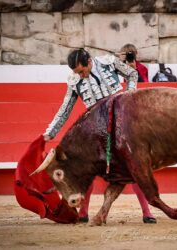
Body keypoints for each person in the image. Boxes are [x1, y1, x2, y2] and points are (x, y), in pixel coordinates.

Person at [43, 48, 156, 224]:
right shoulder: (74, 81)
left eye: (81, 71)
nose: (80, 76)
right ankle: (83, 213)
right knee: (87, 169)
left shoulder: (108, 62)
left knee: (134, 166)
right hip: (96, 128)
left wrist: (129, 96)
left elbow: (132, 74)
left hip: (121, 123)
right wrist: (50, 132)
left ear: (89, 62)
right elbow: (65, 109)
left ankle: (147, 211)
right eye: (76, 73)